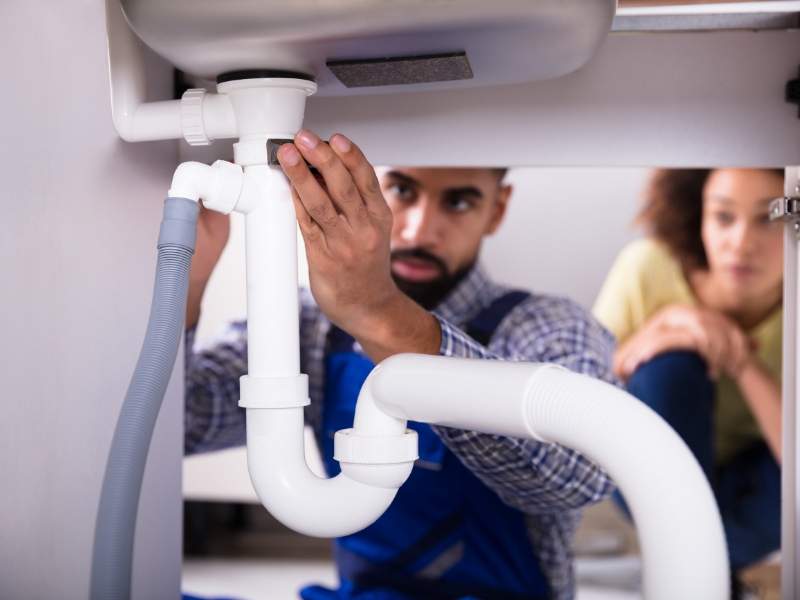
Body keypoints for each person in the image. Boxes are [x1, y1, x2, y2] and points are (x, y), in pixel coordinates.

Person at [185, 129, 617, 600]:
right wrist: (190, 279)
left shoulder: (551, 327)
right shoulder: (312, 325)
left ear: (497, 209)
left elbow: (578, 479)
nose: (417, 231)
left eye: (458, 203)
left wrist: (377, 312)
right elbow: (177, 425)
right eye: (403, 191)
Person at [593, 168, 784, 581]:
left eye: (770, 218)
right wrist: (665, 326)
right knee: (671, 363)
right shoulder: (647, 267)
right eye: (723, 216)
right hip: (651, 473)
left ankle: (698, 569)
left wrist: (742, 361)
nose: (741, 242)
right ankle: (707, 570)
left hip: (755, 484)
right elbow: (583, 397)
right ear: (698, 214)